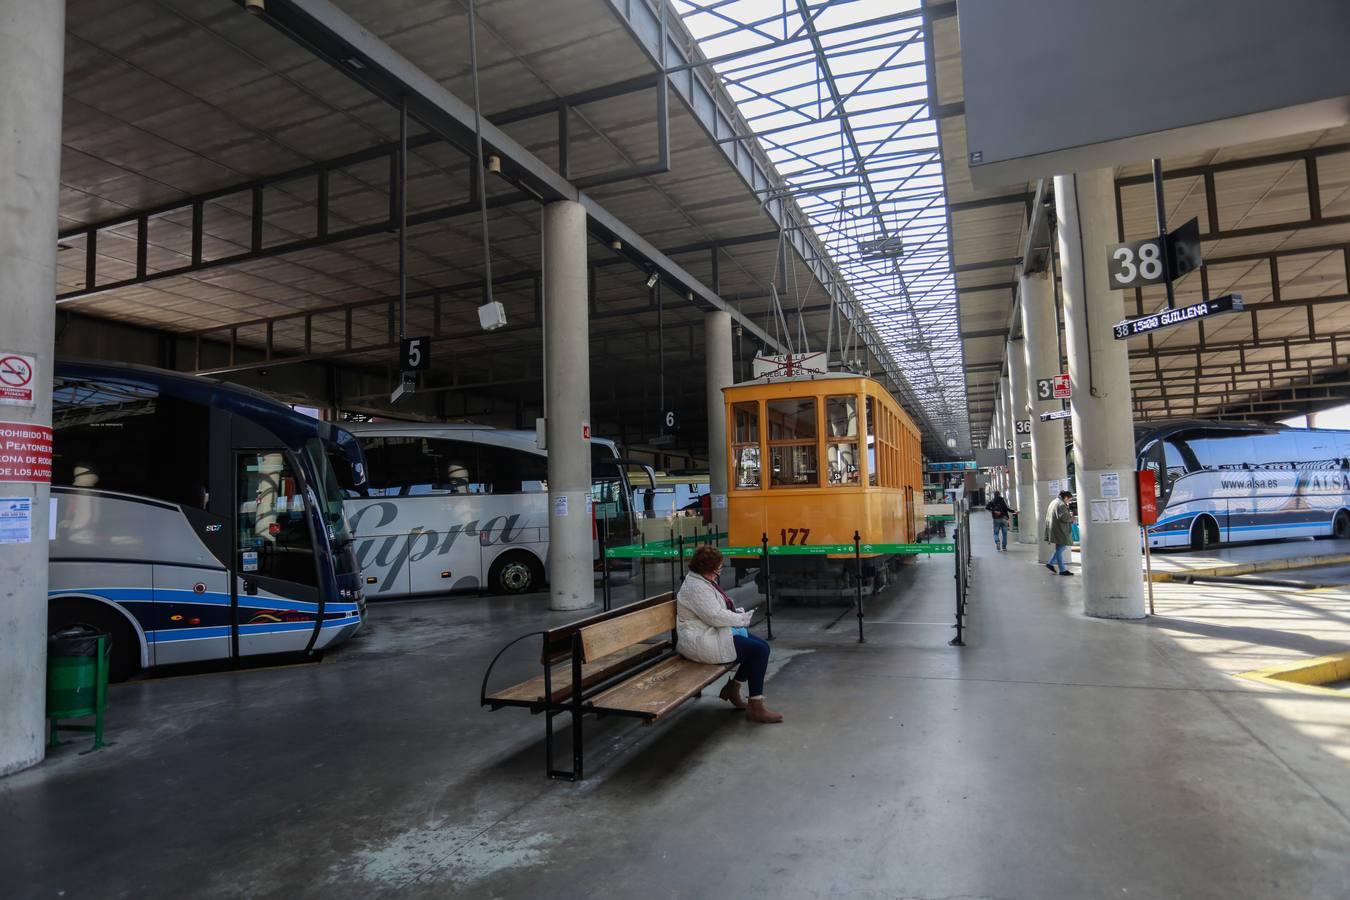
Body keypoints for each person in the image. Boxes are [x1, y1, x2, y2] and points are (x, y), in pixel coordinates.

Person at [675, 545, 783, 724]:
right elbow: (714, 616)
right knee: (758, 651)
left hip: (708, 632)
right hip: (700, 641)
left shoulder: (702, 580)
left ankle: (734, 688)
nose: (719, 571)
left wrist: (736, 614)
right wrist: (740, 619)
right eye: (717, 567)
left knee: (762, 647)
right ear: (707, 568)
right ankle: (755, 707)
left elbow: (715, 610)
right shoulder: (696, 587)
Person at [1044, 490, 1075, 575]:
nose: (1069, 501)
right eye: (1069, 500)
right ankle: (1062, 570)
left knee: (1061, 548)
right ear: (1065, 497)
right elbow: (1064, 518)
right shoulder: (1061, 504)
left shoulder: (1054, 501)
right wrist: (1072, 518)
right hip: (1060, 529)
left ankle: (1050, 563)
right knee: (1060, 548)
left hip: (1054, 528)